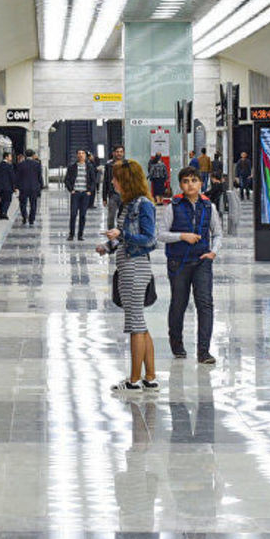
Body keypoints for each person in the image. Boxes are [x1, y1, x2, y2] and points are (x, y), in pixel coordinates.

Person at [97, 160, 158, 391]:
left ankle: (133, 381)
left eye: (116, 178)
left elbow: (149, 239)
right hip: (127, 266)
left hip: (135, 269)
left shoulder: (144, 205)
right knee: (139, 323)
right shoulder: (128, 203)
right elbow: (124, 237)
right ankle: (149, 377)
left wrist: (121, 234)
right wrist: (108, 246)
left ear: (127, 180)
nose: (113, 181)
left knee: (135, 325)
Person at [159, 167, 221, 363]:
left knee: (205, 303)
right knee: (179, 303)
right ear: (180, 185)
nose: (190, 185)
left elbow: (217, 233)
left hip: (202, 261)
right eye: (185, 181)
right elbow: (161, 234)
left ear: (201, 183)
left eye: (194, 180)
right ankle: (177, 345)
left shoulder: (209, 206)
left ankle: (204, 351)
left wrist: (213, 252)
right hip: (178, 262)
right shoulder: (173, 206)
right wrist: (182, 236)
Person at [63, 148, 98, 241]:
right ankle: (71, 234)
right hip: (76, 193)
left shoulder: (89, 167)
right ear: (77, 155)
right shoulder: (72, 167)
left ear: (85, 155)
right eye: (79, 153)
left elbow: (93, 180)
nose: (81, 155)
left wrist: (90, 191)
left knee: (83, 215)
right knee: (73, 214)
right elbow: (67, 179)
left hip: (85, 194)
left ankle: (80, 235)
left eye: (83, 153)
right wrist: (71, 190)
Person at [15, 148, 43, 225]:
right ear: (33, 155)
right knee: (33, 204)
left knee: (23, 203)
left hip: (23, 187)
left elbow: (17, 176)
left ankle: (24, 217)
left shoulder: (21, 164)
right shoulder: (37, 164)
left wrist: (16, 186)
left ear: (25, 155)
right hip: (34, 187)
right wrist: (41, 186)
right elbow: (39, 176)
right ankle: (31, 219)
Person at [102, 144, 126, 229]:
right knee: (111, 216)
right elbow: (105, 181)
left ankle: (120, 233)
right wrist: (104, 198)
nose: (119, 153)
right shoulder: (109, 165)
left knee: (123, 216)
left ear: (123, 153)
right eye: (117, 152)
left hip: (125, 194)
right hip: (113, 194)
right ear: (113, 153)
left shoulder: (127, 164)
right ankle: (111, 233)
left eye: (121, 152)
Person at [0, 152, 16, 220]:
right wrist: (14, 187)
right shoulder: (9, 166)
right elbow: (12, 177)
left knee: (2, 200)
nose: (11, 158)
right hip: (8, 187)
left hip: (0, 187)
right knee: (8, 200)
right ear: (6, 157)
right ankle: (4, 213)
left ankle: (1, 214)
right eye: (10, 156)